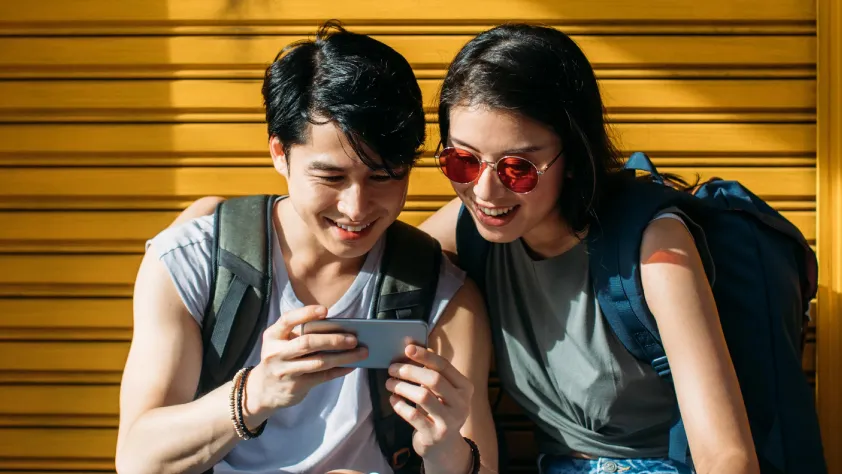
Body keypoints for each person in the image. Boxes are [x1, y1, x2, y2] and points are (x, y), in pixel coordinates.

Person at [115, 22, 497, 474]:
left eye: (383, 176)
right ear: (280, 153)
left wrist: (444, 448)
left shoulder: (445, 298)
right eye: (331, 177)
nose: (356, 208)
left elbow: (479, 464)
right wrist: (256, 393)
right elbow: (138, 461)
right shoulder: (190, 262)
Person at [417, 24, 761, 474]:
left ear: (575, 156)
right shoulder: (471, 223)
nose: (484, 189)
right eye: (461, 160)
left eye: (518, 168)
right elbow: (370, 257)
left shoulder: (655, 249)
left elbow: (727, 456)